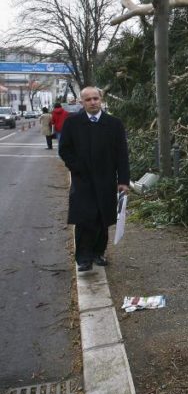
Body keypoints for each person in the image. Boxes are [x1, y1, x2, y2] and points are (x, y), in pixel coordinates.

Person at [58, 87, 130, 272]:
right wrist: (77, 167)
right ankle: (83, 258)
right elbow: (64, 149)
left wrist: (123, 180)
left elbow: (122, 154)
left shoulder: (114, 124)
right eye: (88, 99)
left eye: (95, 98)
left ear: (101, 99)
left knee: (102, 218)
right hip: (83, 180)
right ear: (82, 102)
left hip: (106, 179)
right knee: (84, 218)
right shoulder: (72, 123)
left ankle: (98, 253)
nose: (92, 102)